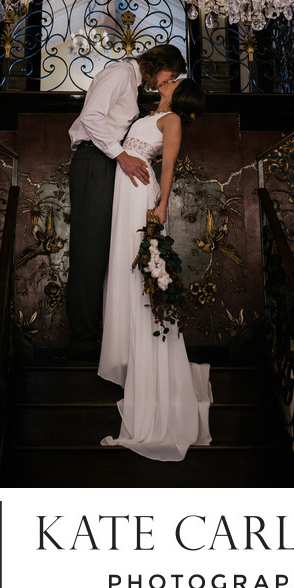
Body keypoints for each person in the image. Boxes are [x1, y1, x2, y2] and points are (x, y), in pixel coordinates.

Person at [98, 77, 212, 461]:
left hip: (139, 192)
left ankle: (151, 368)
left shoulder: (173, 119)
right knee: (125, 270)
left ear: (180, 92)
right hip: (124, 188)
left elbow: (169, 166)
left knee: (141, 273)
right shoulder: (154, 113)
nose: (167, 79)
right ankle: (133, 355)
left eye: (175, 79)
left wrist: (161, 206)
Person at [67, 44, 186, 361]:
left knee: (103, 251)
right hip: (95, 159)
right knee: (90, 250)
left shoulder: (131, 84)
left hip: (105, 161)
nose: (167, 81)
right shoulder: (120, 73)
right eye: (170, 74)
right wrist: (120, 155)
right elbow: (90, 117)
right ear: (159, 64)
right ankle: (82, 343)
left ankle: (98, 338)